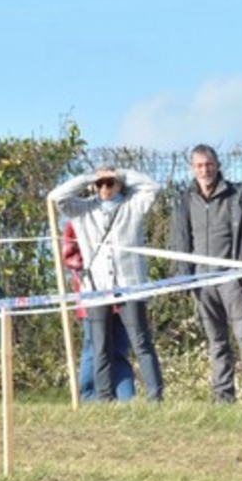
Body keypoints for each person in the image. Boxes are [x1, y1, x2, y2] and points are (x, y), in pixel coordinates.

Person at [48, 166, 164, 402]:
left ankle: (155, 398)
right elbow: (56, 196)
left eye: (110, 182)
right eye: (100, 184)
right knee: (100, 346)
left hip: (130, 286)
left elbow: (153, 187)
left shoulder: (133, 205)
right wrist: (89, 177)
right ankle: (104, 399)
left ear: (119, 184)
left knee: (141, 343)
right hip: (96, 288)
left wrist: (121, 173)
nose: (105, 188)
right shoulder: (82, 210)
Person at [170, 145, 242, 403]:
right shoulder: (184, 200)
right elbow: (180, 241)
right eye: (200, 165)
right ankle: (223, 397)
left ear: (217, 165)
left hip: (233, 280)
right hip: (201, 282)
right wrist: (184, 277)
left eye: (209, 164)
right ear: (192, 169)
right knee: (216, 341)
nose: (205, 170)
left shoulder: (239, 195)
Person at [63, 220, 135, 401]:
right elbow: (71, 255)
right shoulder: (79, 219)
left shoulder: (121, 216)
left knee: (120, 349)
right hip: (93, 294)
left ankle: (126, 399)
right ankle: (90, 397)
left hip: (122, 293)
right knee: (95, 348)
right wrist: (95, 267)